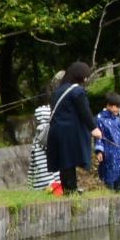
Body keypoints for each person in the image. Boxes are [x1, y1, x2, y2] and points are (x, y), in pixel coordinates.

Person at [45, 61, 96, 194]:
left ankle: (69, 190)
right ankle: (70, 190)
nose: (86, 79)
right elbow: (84, 111)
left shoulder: (59, 90)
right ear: (80, 76)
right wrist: (94, 128)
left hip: (56, 130)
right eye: (86, 76)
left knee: (65, 163)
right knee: (69, 162)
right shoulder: (77, 91)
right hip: (68, 132)